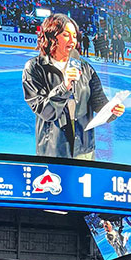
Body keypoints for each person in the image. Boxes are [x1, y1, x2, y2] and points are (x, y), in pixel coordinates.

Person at [21, 13, 124, 160]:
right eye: (66, 35)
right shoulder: (34, 68)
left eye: (74, 36)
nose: (72, 41)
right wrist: (64, 86)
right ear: (51, 36)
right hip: (53, 150)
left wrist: (112, 111)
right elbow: (45, 112)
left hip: (84, 149)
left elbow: (99, 103)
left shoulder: (86, 68)